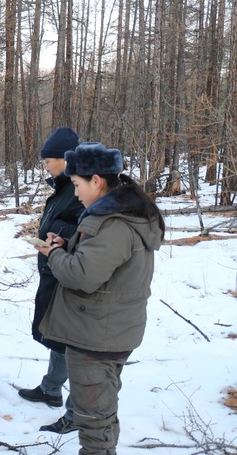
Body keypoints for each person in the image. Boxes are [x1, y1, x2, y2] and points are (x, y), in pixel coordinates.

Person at [35, 142, 164, 455]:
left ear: (96, 180)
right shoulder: (120, 213)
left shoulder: (112, 223)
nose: (76, 193)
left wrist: (54, 254)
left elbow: (82, 276)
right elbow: (101, 264)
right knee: (102, 411)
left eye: (78, 185)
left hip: (95, 337)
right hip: (108, 330)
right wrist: (68, 246)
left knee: (92, 421)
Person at [17, 126, 84, 434]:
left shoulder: (80, 190)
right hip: (53, 269)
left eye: (49, 158)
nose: (44, 163)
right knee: (55, 334)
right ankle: (51, 389)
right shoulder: (63, 189)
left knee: (71, 339)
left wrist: (56, 240)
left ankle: (77, 415)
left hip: (67, 273)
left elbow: (88, 233)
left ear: (66, 160)